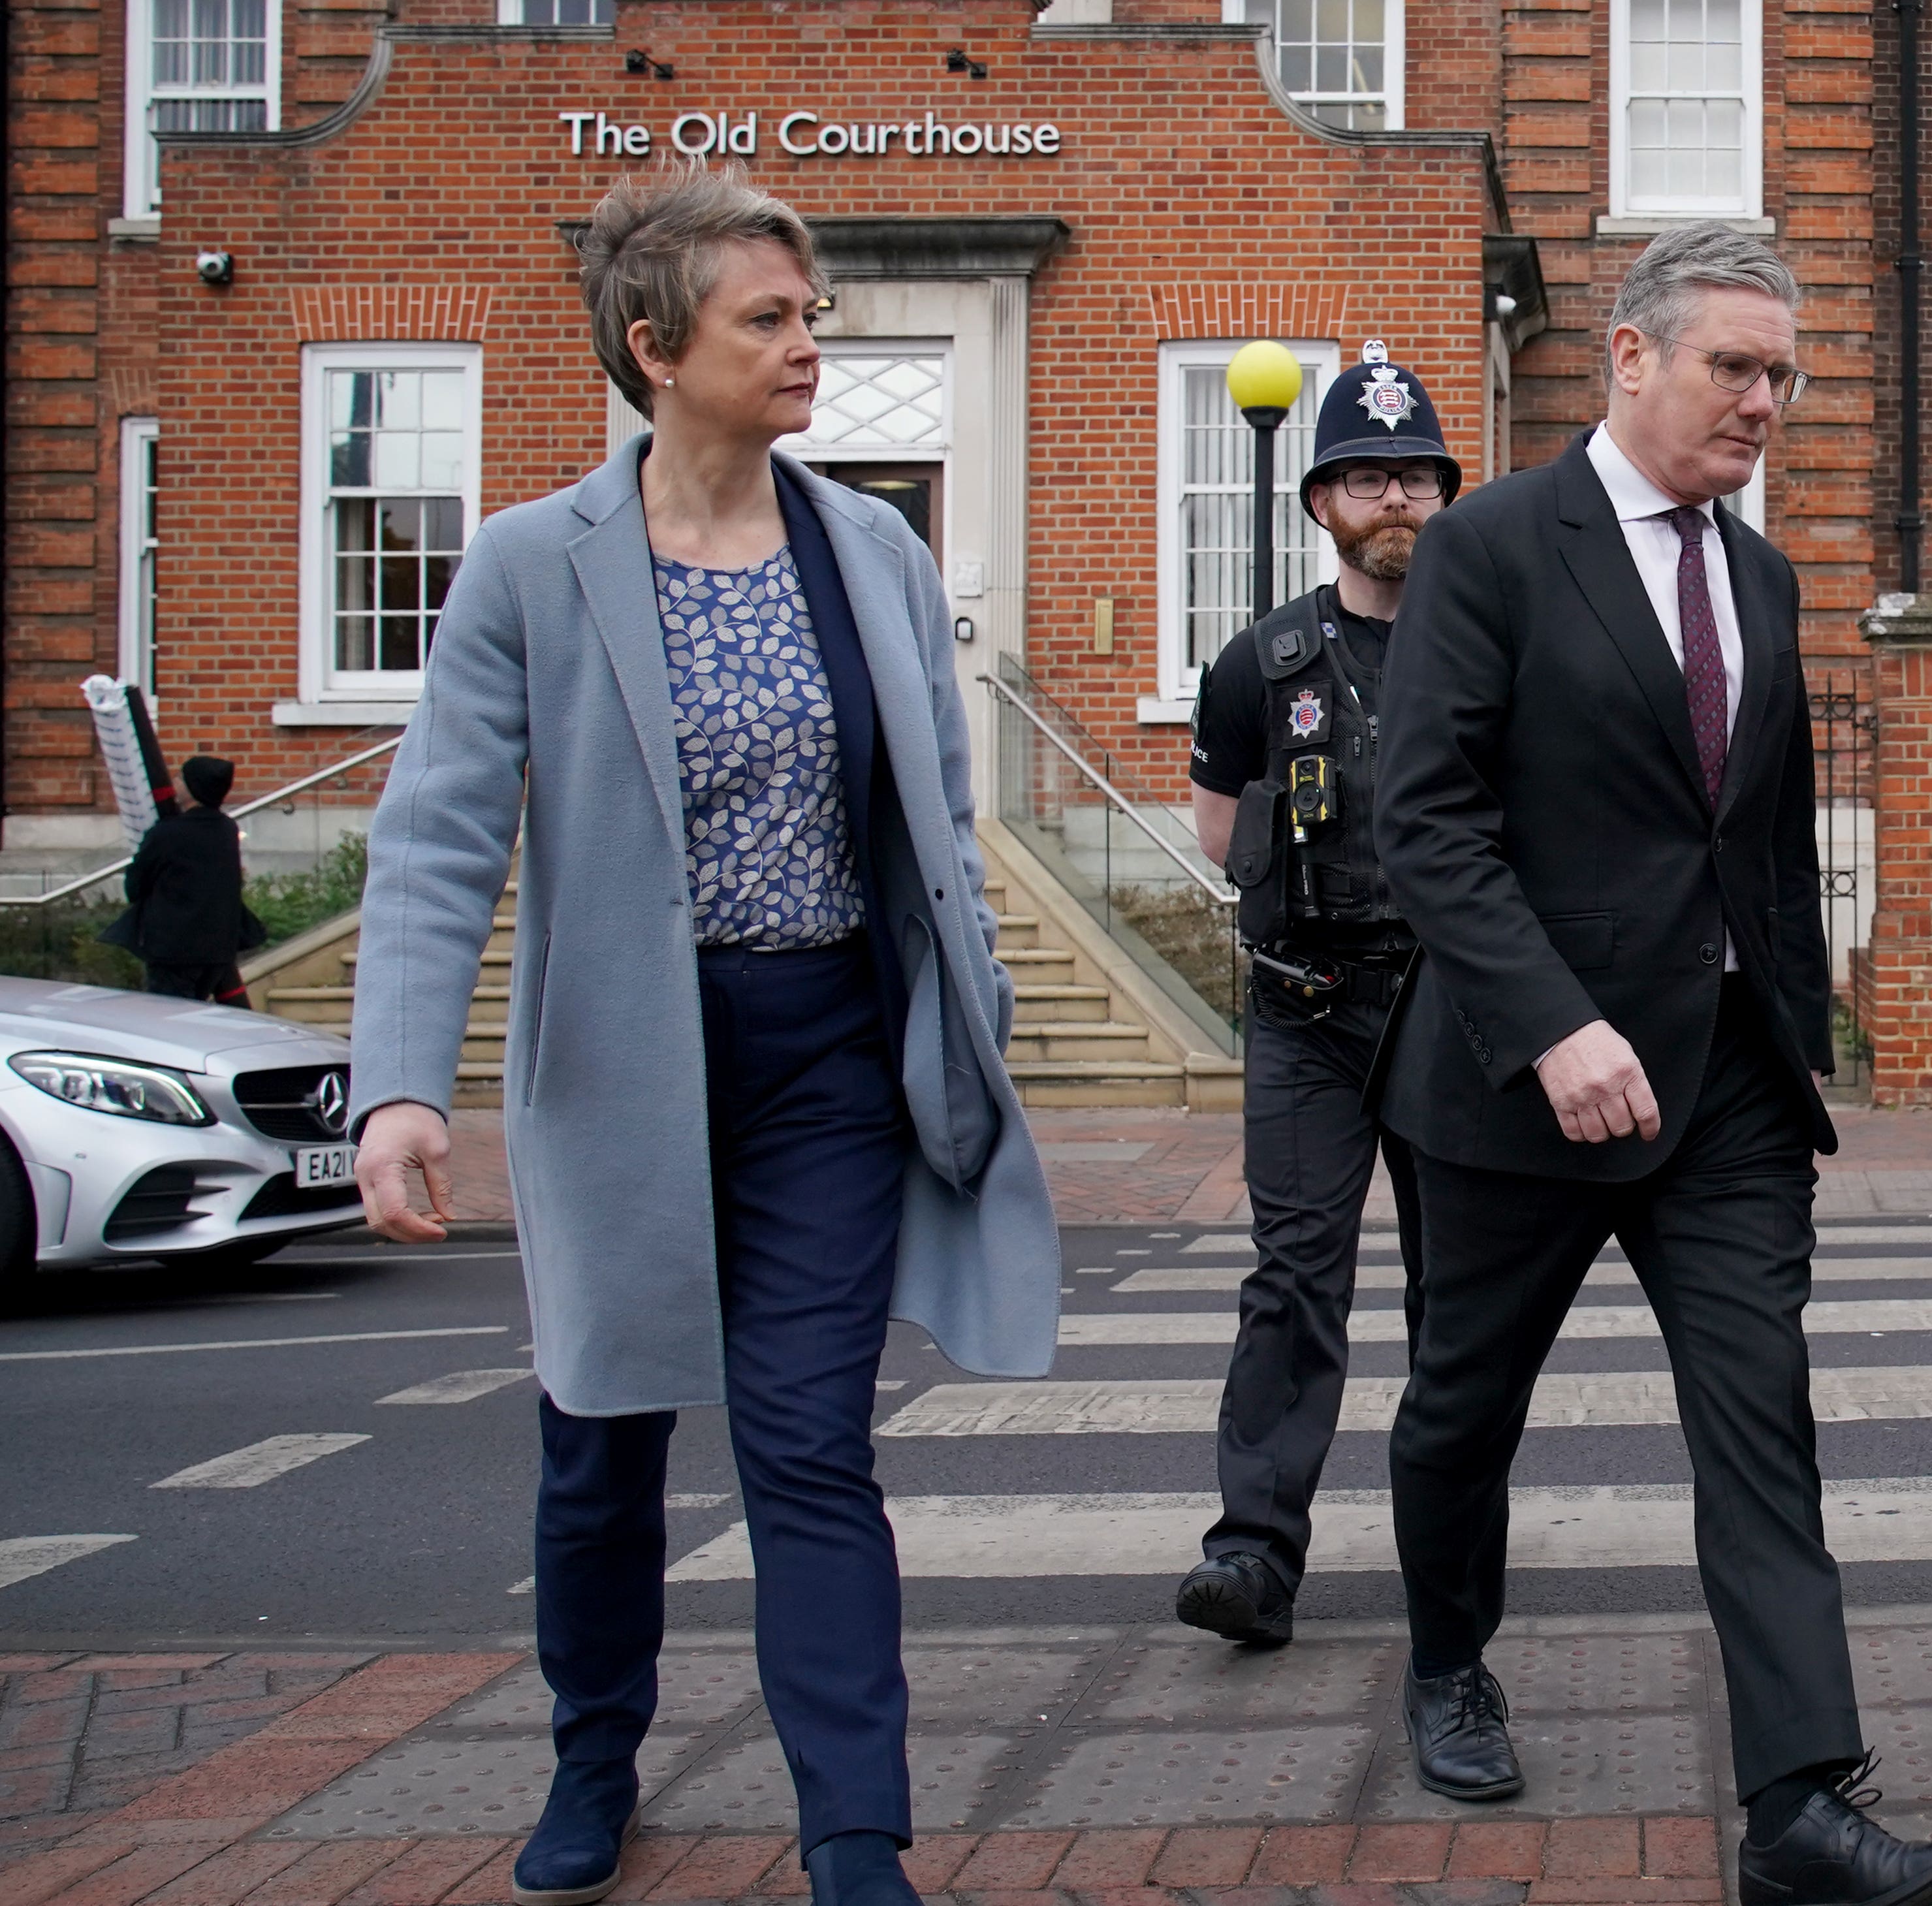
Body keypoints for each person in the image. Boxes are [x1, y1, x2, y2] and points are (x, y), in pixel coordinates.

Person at [347, 160, 1057, 1906]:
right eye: (772, 318)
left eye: (811, 313)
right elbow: (439, 829)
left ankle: (855, 1830)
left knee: (812, 1443)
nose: (809, 343)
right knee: (602, 1442)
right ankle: (596, 1749)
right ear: (656, 348)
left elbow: (936, 819)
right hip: (619, 1072)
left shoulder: (869, 545)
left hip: (825, 1054)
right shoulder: (533, 561)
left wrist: (972, 1010)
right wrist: (398, 1086)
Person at [1372, 223, 1932, 1906]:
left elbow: (1764, 841)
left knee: (1758, 1426)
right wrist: (1550, 1021)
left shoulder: (1763, 576)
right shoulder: (1493, 546)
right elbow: (1421, 822)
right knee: (1456, 1414)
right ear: (1628, 358)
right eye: (1734, 365)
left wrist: (1795, 1040)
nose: (1764, 402)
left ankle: (1797, 1806)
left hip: (1719, 1085)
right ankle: (1445, 1659)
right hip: (1521, 1081)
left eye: (1782, 374)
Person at [1170, 341, 1449, 1647]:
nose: (1391, 499)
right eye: (1364, 478)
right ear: (1321, 504)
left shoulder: (1490, 651)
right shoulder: (1258, 662)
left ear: (1445, 495)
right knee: (1292, 1280)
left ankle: (1451, 1552)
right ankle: (1252, 1556)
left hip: (1454, 1017)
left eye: (1412, 477)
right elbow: (1217, 833)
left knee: (1459, 1292)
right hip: (1308, 1013)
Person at [120, 755, 261, 1002]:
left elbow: (135, 885)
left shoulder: (168, 833)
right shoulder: (227, 830)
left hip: (173, 950)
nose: (175, 782)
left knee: (169, 1017)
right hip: (218, 950)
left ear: (193, 788)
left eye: (180, 778)